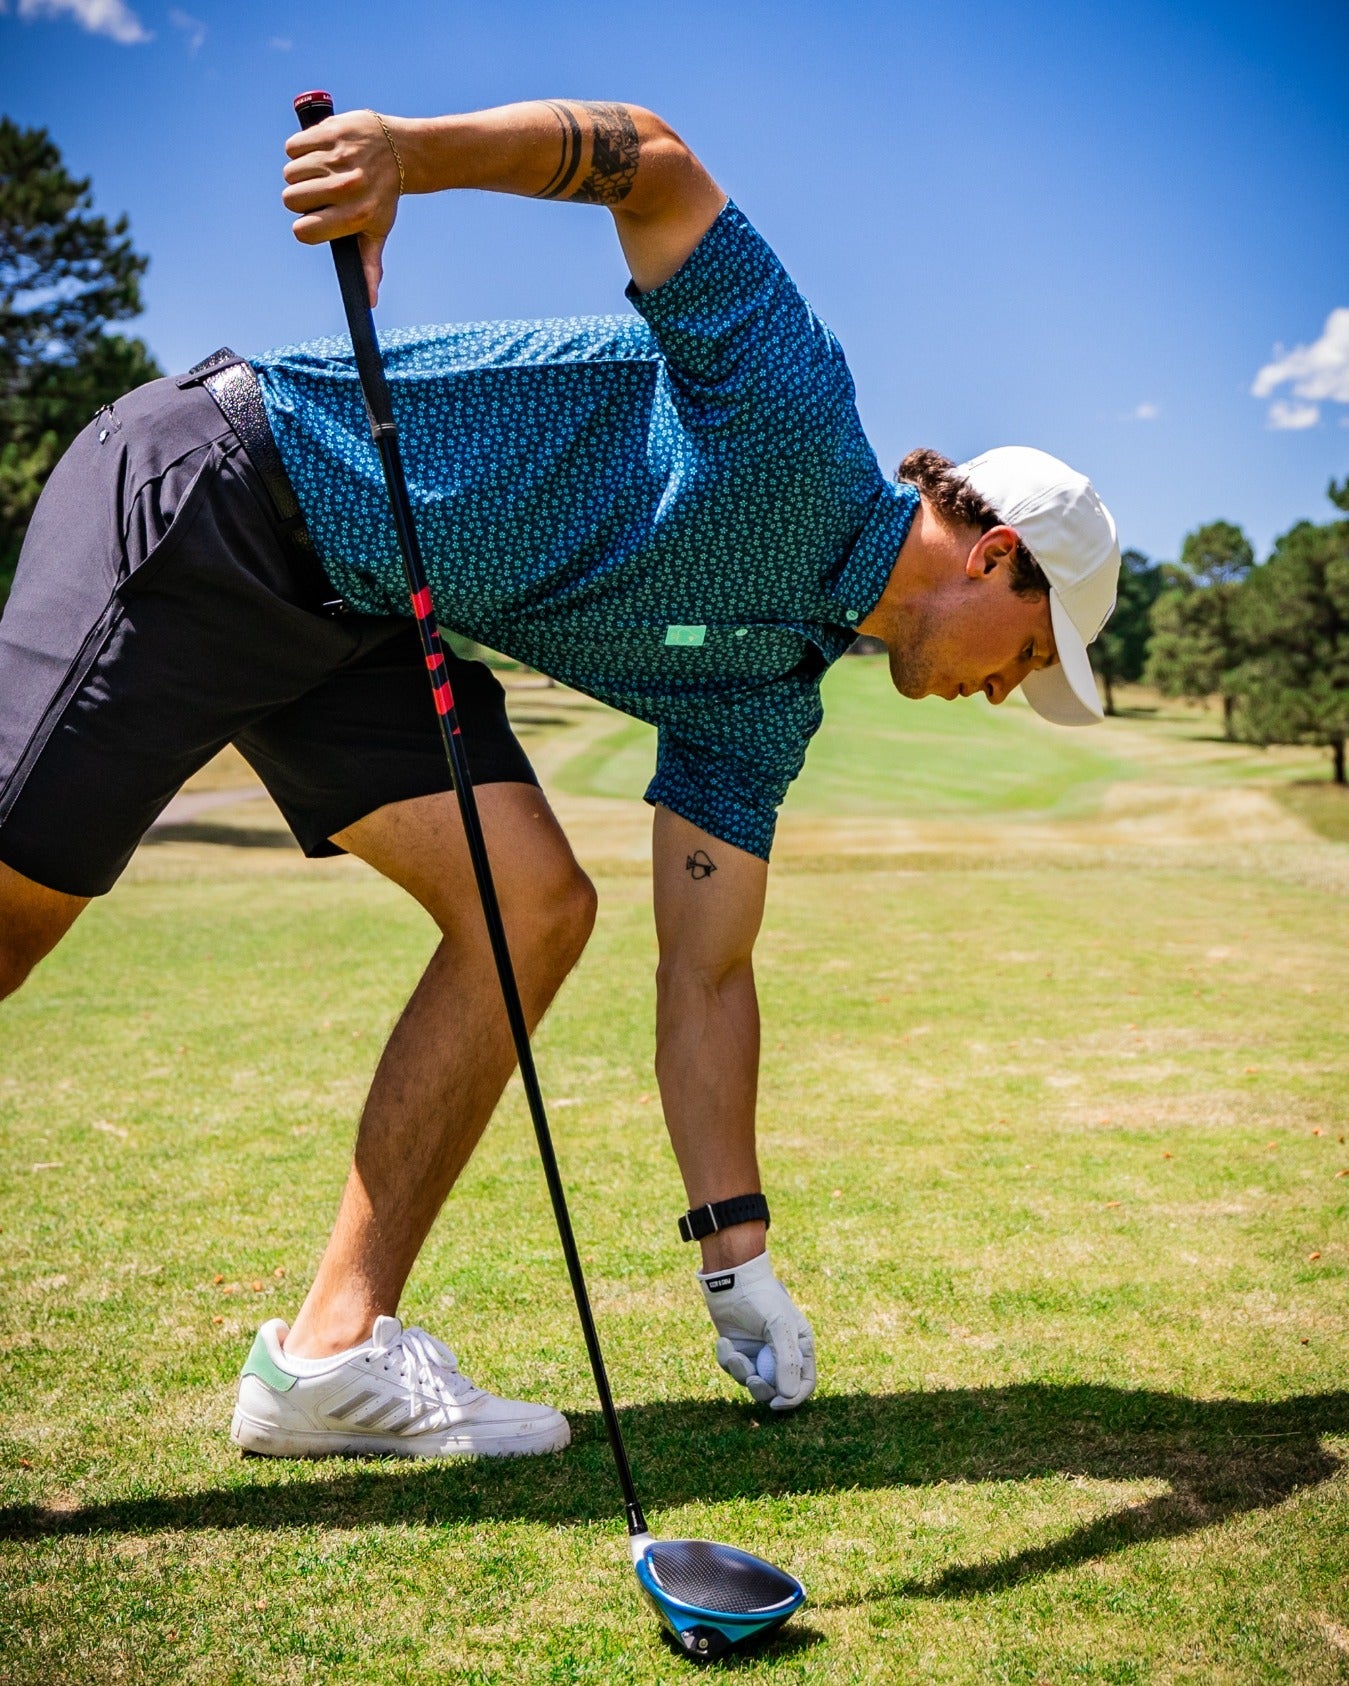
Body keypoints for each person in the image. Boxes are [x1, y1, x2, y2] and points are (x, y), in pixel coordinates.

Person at [0, 99, 1120, 1458]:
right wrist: (409, 153)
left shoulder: (761, 698)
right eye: (1033, 652)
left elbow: (705, 971)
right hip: (221, 495)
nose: (1012, 688)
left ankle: (329, 1360)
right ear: (997, 555)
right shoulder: (793, 415)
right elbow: (651, 164)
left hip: (354, 615)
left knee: (533, 903)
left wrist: (735, 1256)